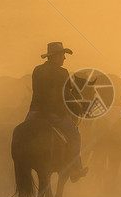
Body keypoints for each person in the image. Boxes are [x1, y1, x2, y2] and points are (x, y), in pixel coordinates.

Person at [25, 42, 88, 182]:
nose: (64, 59)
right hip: (54, 114)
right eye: (63, 55)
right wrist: (78, 107)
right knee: (75, 135)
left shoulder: (37, 70)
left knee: (23, 131)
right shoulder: (62, 72)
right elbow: (66, 95)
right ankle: (76, 169)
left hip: (34, 112)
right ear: (56, 56)